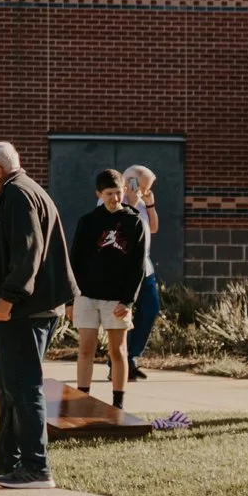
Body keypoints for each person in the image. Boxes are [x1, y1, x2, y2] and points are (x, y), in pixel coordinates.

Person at [0, 140, 74, 489]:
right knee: (8, 383)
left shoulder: (18, 195)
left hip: (25, 310)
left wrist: (7, 299)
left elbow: (28, 254)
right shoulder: (14, 193)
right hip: (27, 308)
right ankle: (8, 459)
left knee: (24, 384)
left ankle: (36, 466)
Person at [68, 170, 145, 408]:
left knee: (118, 350)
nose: (115, 198)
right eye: (109, 194)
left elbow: (137, 267)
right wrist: (70, 299)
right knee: (86, 348)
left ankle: (118, 403)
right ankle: (83, 398)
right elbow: (75, 261)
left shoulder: (133, 222)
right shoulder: (88, 221)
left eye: (118, 193)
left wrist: (128, 301)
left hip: (117, 298)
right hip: (87, 295)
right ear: (99, 194)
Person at [120, 165, 163, 383]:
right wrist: (132, 201)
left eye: (148, 188)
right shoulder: (112, 199)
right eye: (142, 186)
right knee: (122, 315)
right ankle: (118, 362)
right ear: (130, 182)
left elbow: (153, 228)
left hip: (145, 268)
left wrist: (150, 204)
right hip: (123, 269)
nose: (145, 191)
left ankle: (131, 355)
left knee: (151, 308)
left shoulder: (143, 202)